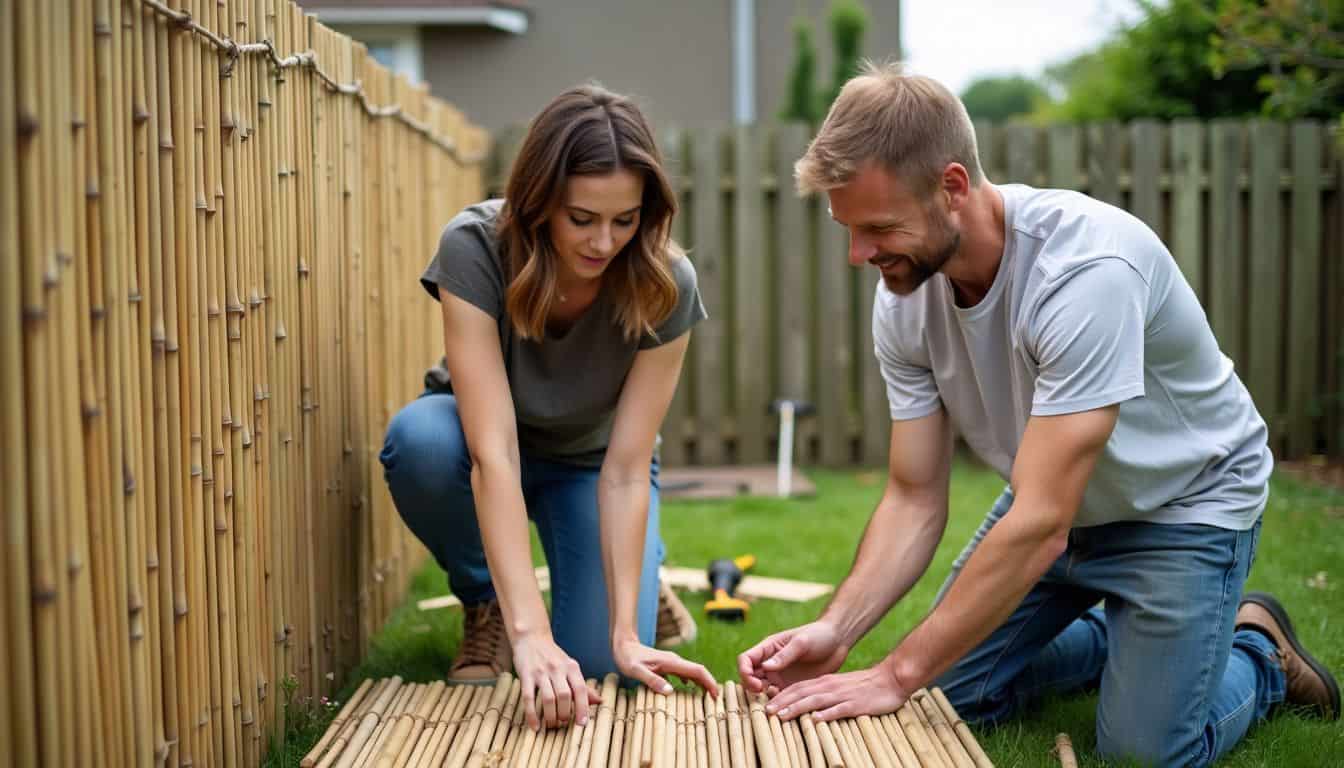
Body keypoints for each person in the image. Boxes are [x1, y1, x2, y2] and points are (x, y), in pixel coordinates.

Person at [738, 62, 1339, 766]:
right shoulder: (905, 295)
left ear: (953, 186)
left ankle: (1256, 651)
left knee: (1142, 757)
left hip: (1184, 506)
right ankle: (1129, 639)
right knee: (946, 702)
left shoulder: (1084, 274)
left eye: (878, 227)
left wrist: (895, 672)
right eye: (848, 228)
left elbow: (1040, 525)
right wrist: (840, 630)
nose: (857, 254)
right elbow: (912, 495)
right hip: (1053, 503)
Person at [380, 83, 717, 733]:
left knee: (598, 666)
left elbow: (624, 470)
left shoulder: (666, 282)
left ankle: (642, 581)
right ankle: (487, 605)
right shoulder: (474, 246)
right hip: (481, 444)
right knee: (418, 440)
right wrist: (529, 633)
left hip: (592, 469)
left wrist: (623, 633)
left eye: (625, 220)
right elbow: (492, 454)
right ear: (539, 204)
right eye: (581, 218)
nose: (604, 242)